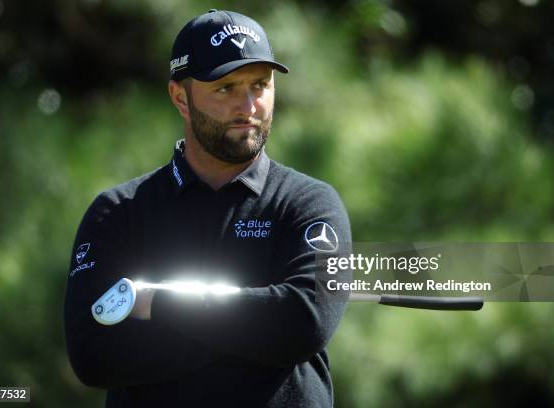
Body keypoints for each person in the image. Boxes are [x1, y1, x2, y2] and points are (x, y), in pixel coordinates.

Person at [64, 9, 351, 408]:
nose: (248, 105)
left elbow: (305, 323)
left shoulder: (310, 203)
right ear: (180, 97)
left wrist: (156, 303)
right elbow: (93, 356)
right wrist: (257, 326)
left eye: (259, 85)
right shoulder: (118, 212)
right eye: (225, 88)